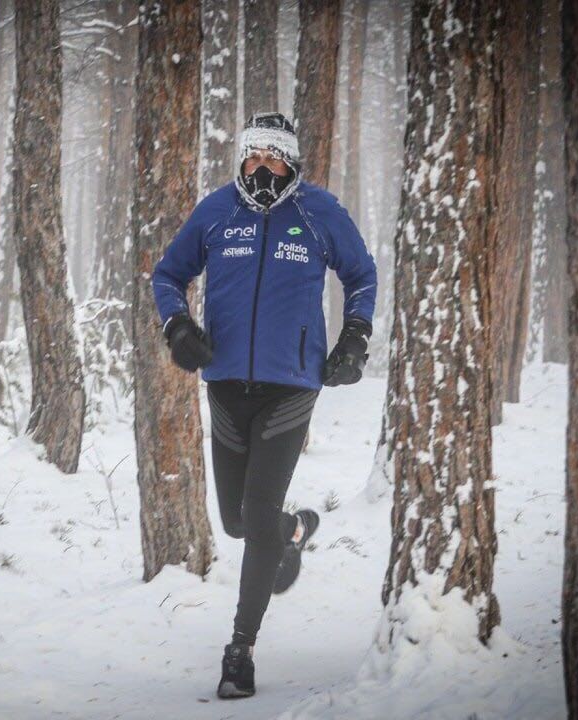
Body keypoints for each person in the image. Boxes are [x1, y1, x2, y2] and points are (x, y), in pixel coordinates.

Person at [151, 111, 377, 699]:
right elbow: (168, 275)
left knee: (255, 516)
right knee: (238, 520)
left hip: (292, 384)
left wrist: (354, 337)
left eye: (273, 157)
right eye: (253, 155)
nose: (261, 166)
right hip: (225, 383)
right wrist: (178, 327)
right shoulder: (217, 211)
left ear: (291, 162)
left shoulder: (318, 213)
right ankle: (293, 530)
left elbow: (362, 274)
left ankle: (239, 651)